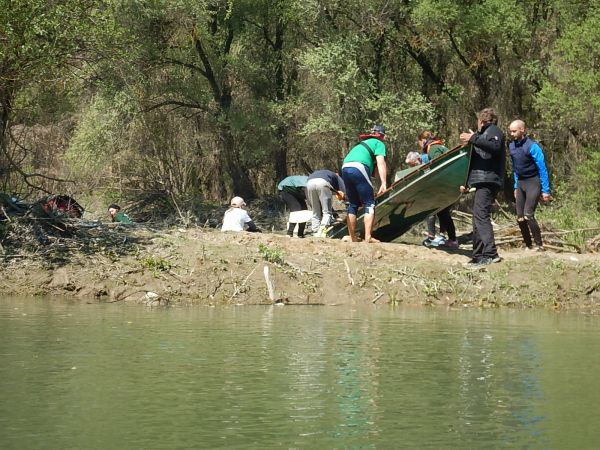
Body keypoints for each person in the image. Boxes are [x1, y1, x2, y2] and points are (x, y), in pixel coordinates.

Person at [459, 108, 505, 266]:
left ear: (482, 121)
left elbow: (495, 147)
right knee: (477, 218)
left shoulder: (494, 131)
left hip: (489, 180)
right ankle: (478, 255)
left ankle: (491, 253)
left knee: (481, 217)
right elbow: (476, 158)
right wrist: (465, 183)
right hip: (481, 180)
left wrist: (474, 137)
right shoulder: (482, 135)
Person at [508, 119, 552, 251]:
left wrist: (545, 190)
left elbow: (542, 169)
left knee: (528, 214)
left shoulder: (532, 146)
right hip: (521, 182)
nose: (512, 134)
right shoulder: (511, 146)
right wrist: (516, 186)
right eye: (510, 131)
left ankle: (539, 245)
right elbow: (516, 168)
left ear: (522, 130)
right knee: (520, 217)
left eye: (514, 131)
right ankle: (528, 245)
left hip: (533, 181)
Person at [341, 124, 388, 243]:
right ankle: (368, 237)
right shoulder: (379, 144)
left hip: (345, 167)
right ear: (382, 136)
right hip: (359, 167)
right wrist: (383, 183)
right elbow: (381, 163)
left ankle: (352, 238)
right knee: (369, 203)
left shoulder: (361, 144)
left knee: (353, 204)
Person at [417, 131, 459, 249]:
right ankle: (451, 239)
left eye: (419, 142)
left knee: (443, 212)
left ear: (423, 140)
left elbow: (439, 167)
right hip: (448, 183)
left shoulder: (433, 148)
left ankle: (452, 239)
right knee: (443, 213)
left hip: (444, 185)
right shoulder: (437, 146)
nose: (420, 145)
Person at [306, 169, 346, 237]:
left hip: (309, 183)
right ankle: (322, 230)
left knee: (315, 211)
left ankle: (315, 231)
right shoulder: (337, 176)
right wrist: (347, 202)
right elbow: (344, 191)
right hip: (323, 182)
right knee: (327, 212)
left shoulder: (324, 173)